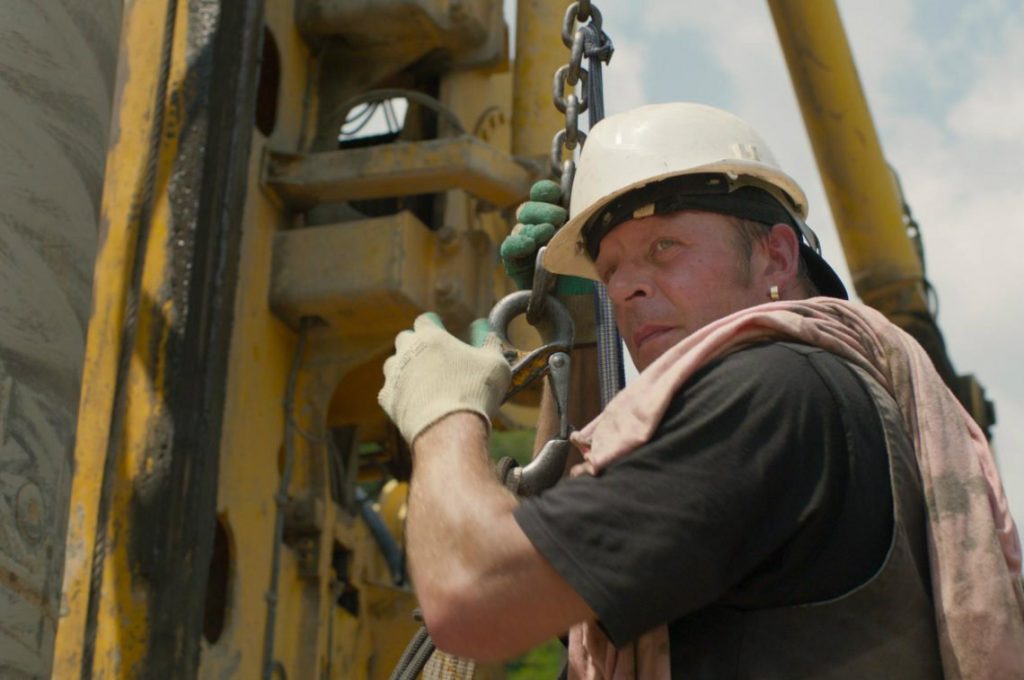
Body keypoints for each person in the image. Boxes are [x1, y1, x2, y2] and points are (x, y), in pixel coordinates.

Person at [378, 103, 1023, 678]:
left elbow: (477, 599)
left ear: (775, 256)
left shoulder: (774, 394)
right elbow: (570, 574)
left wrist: (443, 414)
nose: (628, 287)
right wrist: (575, 332)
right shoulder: (826, 390)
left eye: (665, 247)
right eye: (610, 270)